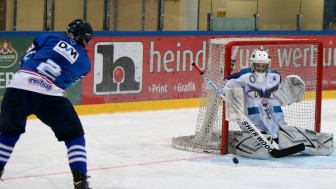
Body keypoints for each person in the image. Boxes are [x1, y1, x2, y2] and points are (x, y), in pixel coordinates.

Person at [0, 19, 93, 189]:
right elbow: (65, 82)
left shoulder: (48, 36)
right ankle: (80, 180)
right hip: (48, 95)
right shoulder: (85, 63)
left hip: (18, 87)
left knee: (8, 134)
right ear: (84, 39)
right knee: (74, 135)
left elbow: (26, 59)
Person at [222, 49, 333, 158]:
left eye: (263, 65)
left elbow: (278, 98)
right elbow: (227, 85)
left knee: (282, 136)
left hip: (274, 118)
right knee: (263, 144)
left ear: (268, 65)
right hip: (253, 121)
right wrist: (226, 93)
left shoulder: (275, 76)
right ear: (253, 64)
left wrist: (288, 96)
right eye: (258, 65)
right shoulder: (244, 76)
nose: (260, 68)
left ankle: (317, 142)